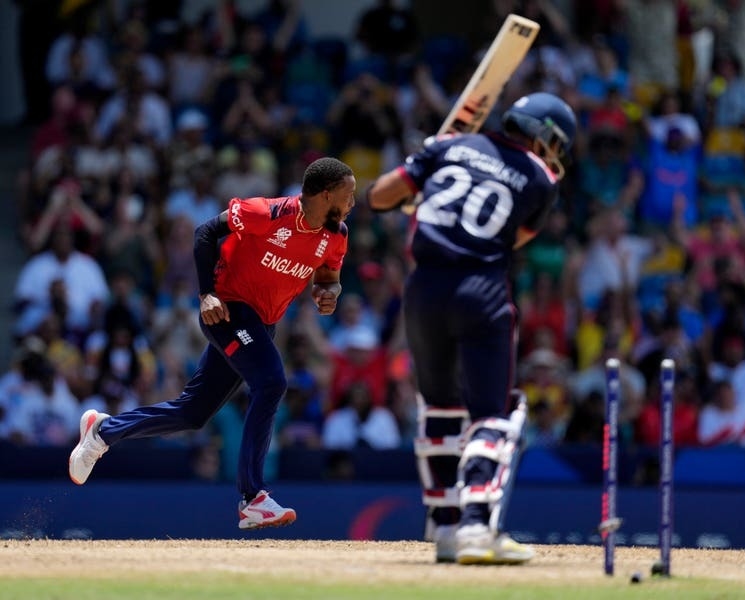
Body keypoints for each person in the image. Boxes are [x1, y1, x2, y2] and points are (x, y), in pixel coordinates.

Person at [69, 157, 356, 530]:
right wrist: (206, 295)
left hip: (262, 324)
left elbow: (328, 277)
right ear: (326, 194)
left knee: (193, 413)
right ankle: (253, 497)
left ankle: (104, 431)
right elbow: (205, 232)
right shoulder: (265, 213)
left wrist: (327, 292)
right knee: (271, 382)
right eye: (348, 196)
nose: (352, 203)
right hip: (227, 312)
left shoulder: (337, 235)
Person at [367, 92, 577, 565]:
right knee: (494, 413)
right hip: (480, 290)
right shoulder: (541, 180)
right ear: (545, 136)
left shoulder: (444, 148)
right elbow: (514, 237)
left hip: (422, 291)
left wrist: (421, 182)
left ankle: (444, 529)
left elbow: (378, 197)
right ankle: (477, 528)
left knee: (439, 410)